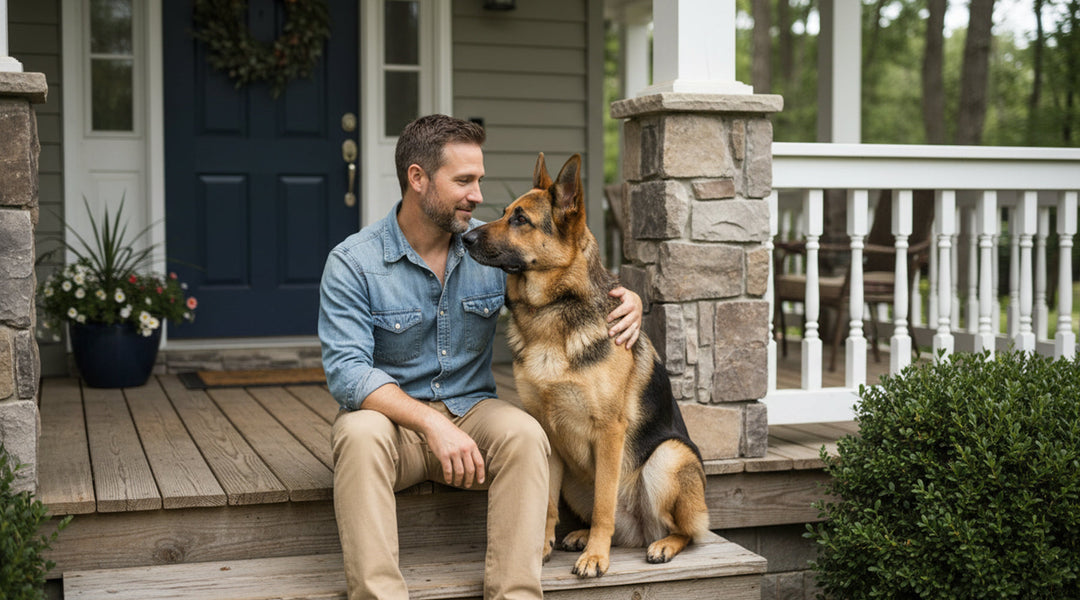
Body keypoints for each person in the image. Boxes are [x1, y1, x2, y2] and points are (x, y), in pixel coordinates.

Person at [319, 114, 643, 600]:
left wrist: (627, 298)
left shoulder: (487, 254)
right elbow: (347, 374)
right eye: (464, 181)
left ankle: (514, 593)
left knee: (527, 435)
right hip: (395, 426)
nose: (476, 195)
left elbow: (566, 273)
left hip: (472, 415)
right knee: (357, 433)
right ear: (418, 179)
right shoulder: (354, 262)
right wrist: (432, 425)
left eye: (479, 181)